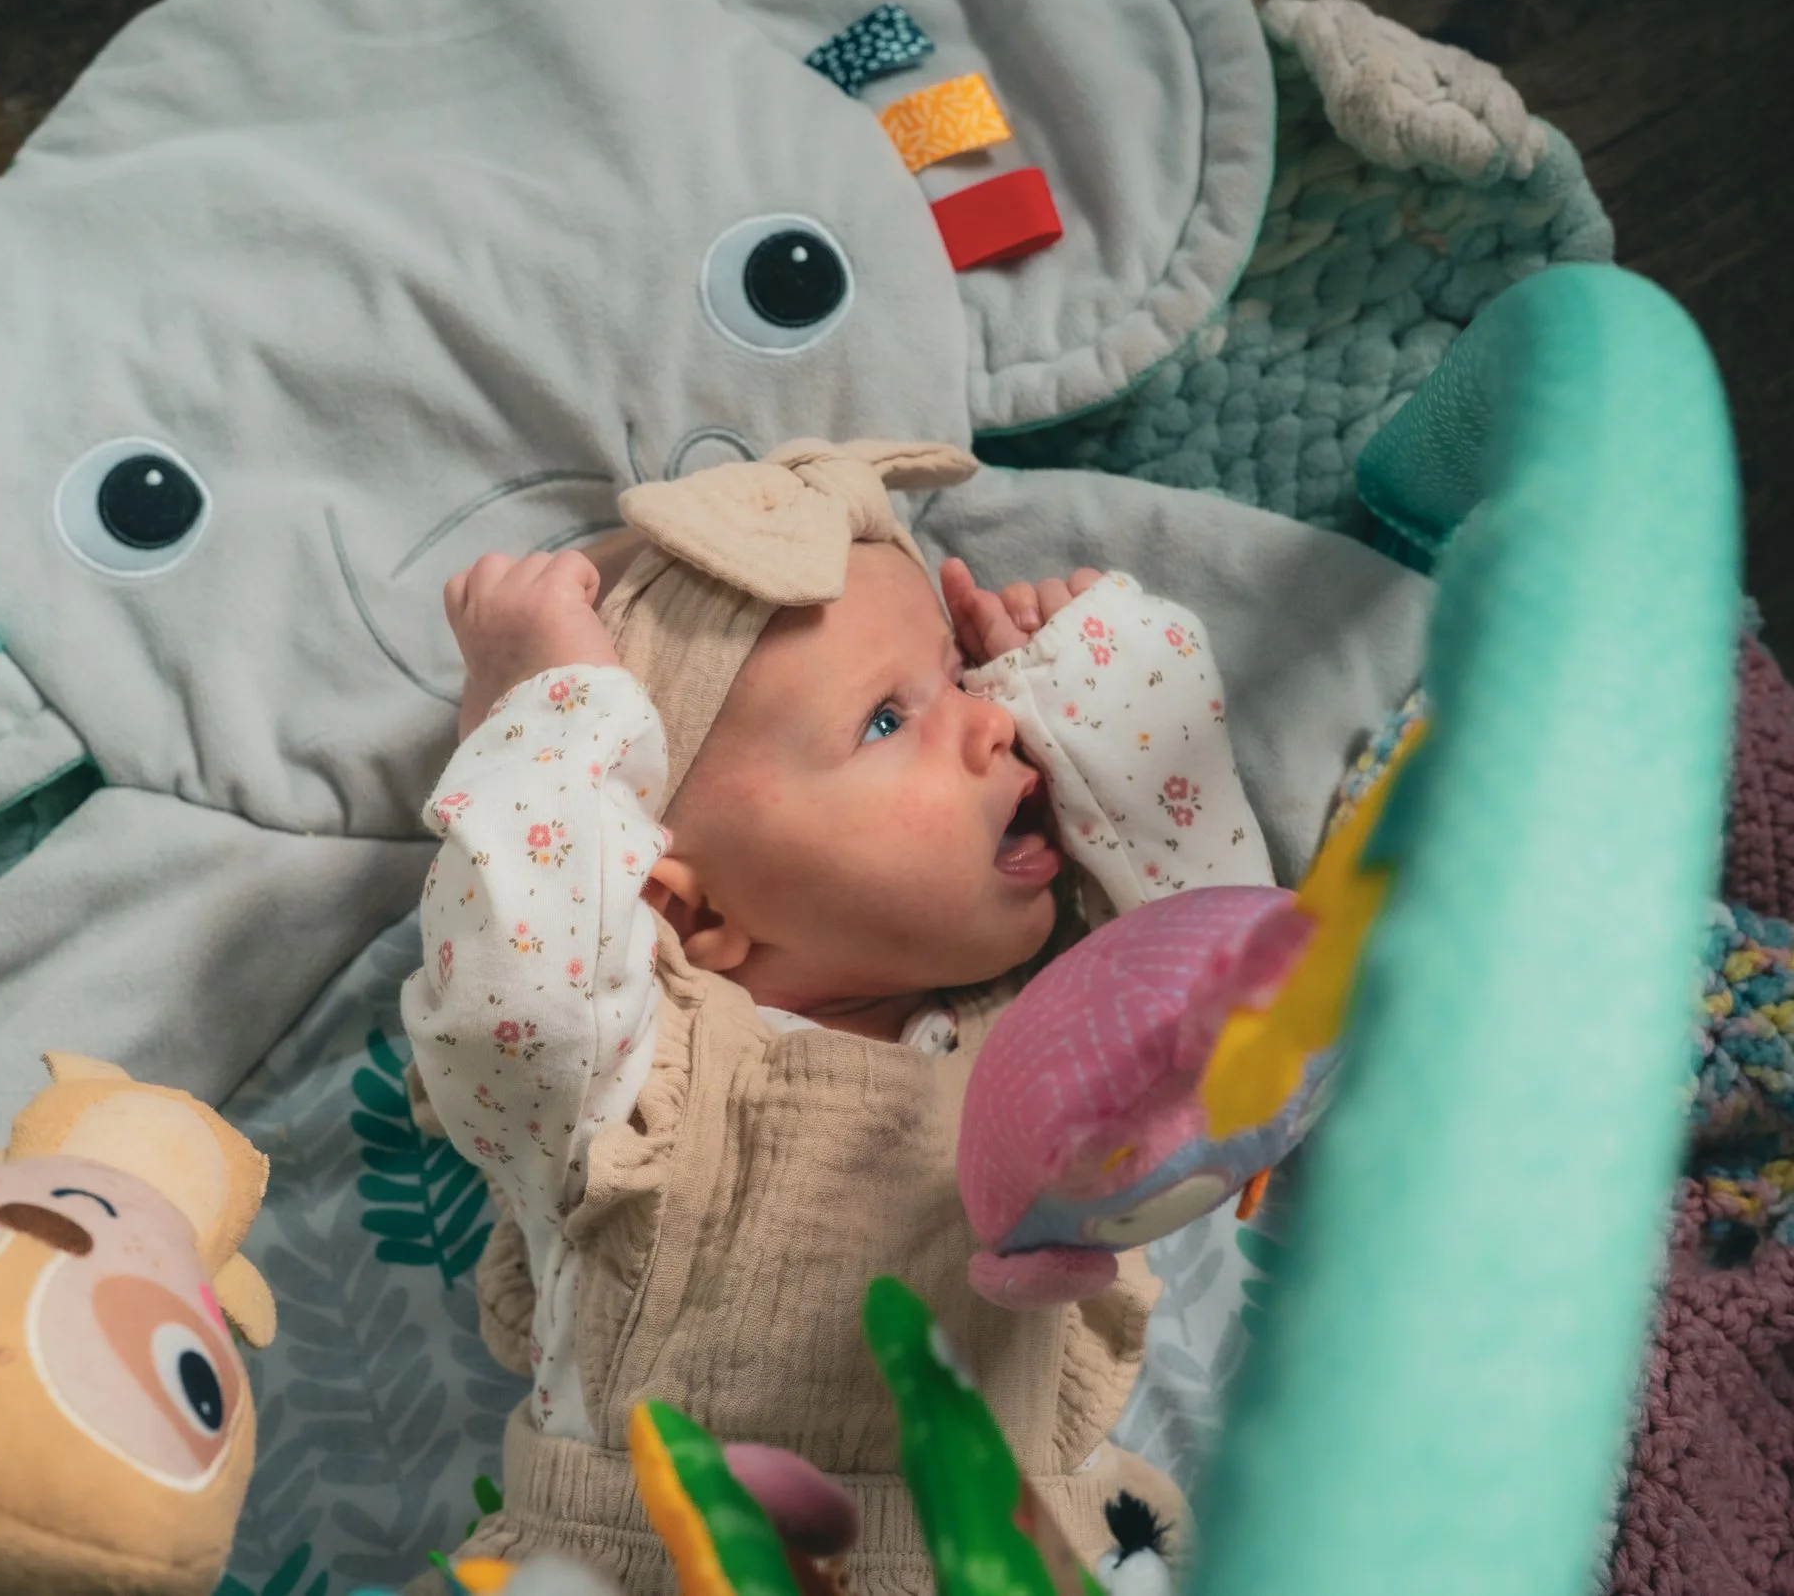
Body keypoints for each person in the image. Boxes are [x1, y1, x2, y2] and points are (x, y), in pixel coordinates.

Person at [400, 440, 1272, 1595]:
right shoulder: (622, 1077)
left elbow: (1241, 1009)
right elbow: (515, 984)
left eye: (960, 675)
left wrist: (1112, 707)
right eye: (883, 721)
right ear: (690, 908)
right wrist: (542, 714)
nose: (989, 723)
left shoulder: (1057, 1026)